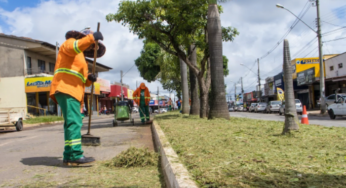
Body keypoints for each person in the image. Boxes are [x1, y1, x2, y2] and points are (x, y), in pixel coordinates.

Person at [49, 27, 105, 166]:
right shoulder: (70, 42)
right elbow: (75, 47)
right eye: (91, 44)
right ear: (83, 38)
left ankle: (69, 155)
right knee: (74, 122)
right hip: (66, 88)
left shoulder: (82, 60)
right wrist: (92, 37)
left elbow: (84, 81)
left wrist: (90, 79)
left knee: (72, 123)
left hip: (74, 92)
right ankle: (74, 155)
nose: (91, 46)